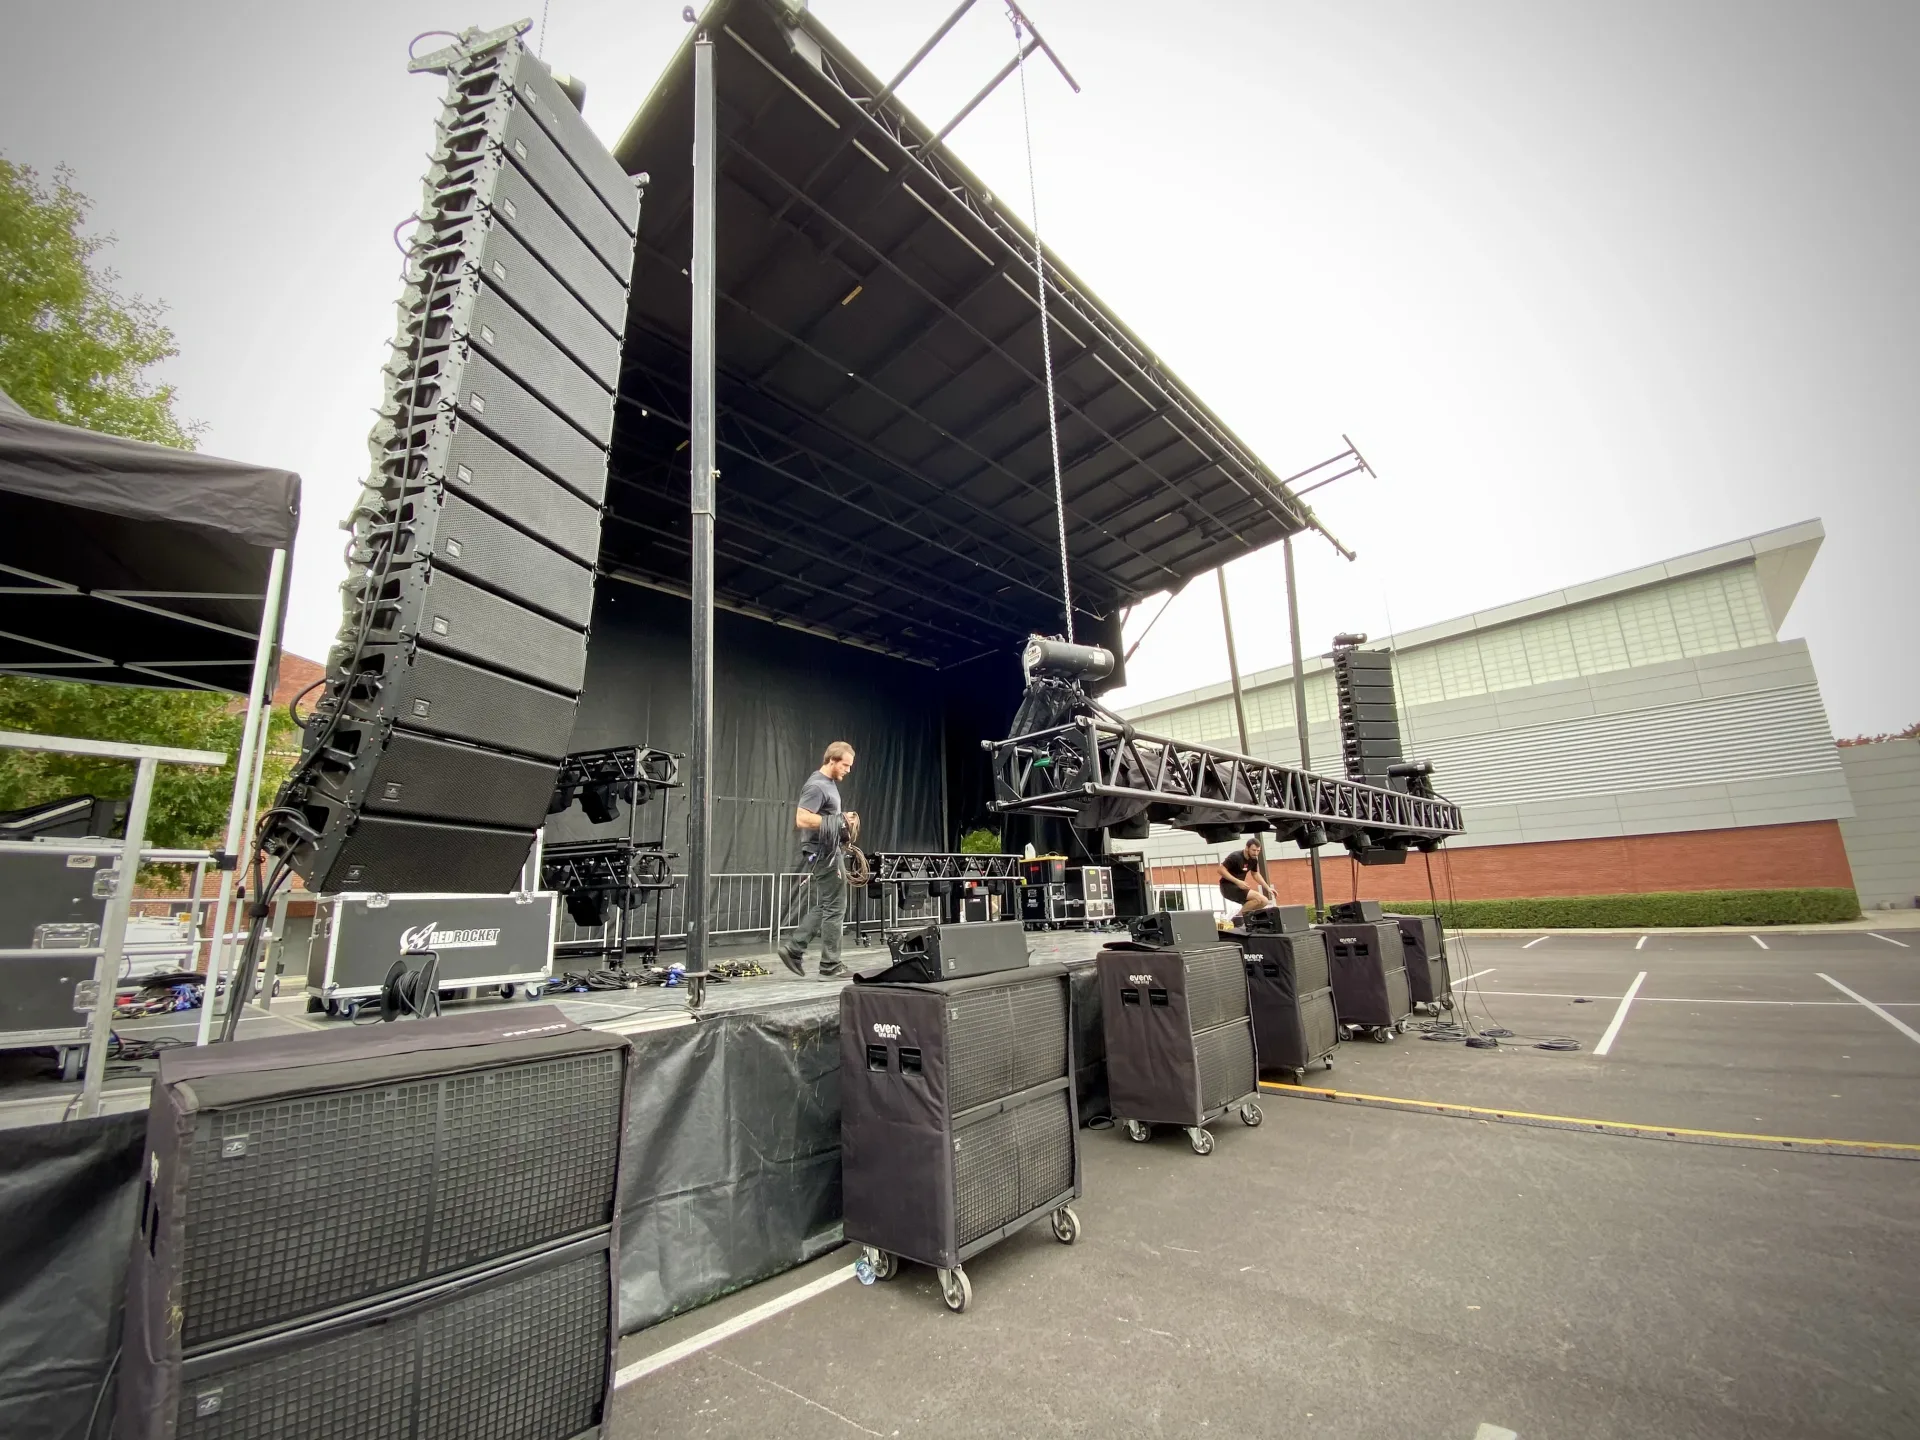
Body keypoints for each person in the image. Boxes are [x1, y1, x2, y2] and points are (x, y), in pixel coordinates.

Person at [777, 741, 856, 978]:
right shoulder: (817, 786)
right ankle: (830, 965)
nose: (848, 770)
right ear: (831, 760)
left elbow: (827, 818)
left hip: (828, 850)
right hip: (822, 852)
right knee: (836, 905)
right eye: (845, 765)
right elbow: (802, 819)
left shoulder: (828, 784)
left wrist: (841, 819)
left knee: (830, 903)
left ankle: (794, 948)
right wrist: (838, 821)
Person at [1218, 837, 1277, 917]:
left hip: (1239, 887)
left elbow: (1255, 874)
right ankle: (1238, 918)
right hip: (1227, 887)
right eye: (1253, 850)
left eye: (1258, 851)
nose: (1256, 853)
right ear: (1247, 848)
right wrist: (1237, 881)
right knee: (1259, 898)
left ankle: (1244, 918)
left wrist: (1267, 888)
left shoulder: (1253, 860)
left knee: (1264, 902)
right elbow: (1220, 870)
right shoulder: (1235, 856)